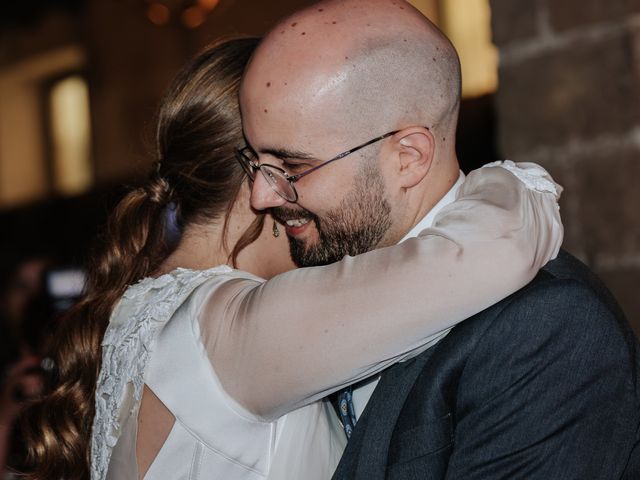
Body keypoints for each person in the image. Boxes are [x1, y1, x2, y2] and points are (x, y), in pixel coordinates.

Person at [20, 37, 562, 480]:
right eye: (305, 165)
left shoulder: (148, 309)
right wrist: (511, 180)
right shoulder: (235, 329)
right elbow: (497, 245)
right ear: (260, 177)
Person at [240, 1, 640, 478]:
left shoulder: (544, 328)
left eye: (293, 168)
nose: (261, 194)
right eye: (254, 161)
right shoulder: (309, 288)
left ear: (408, 157)